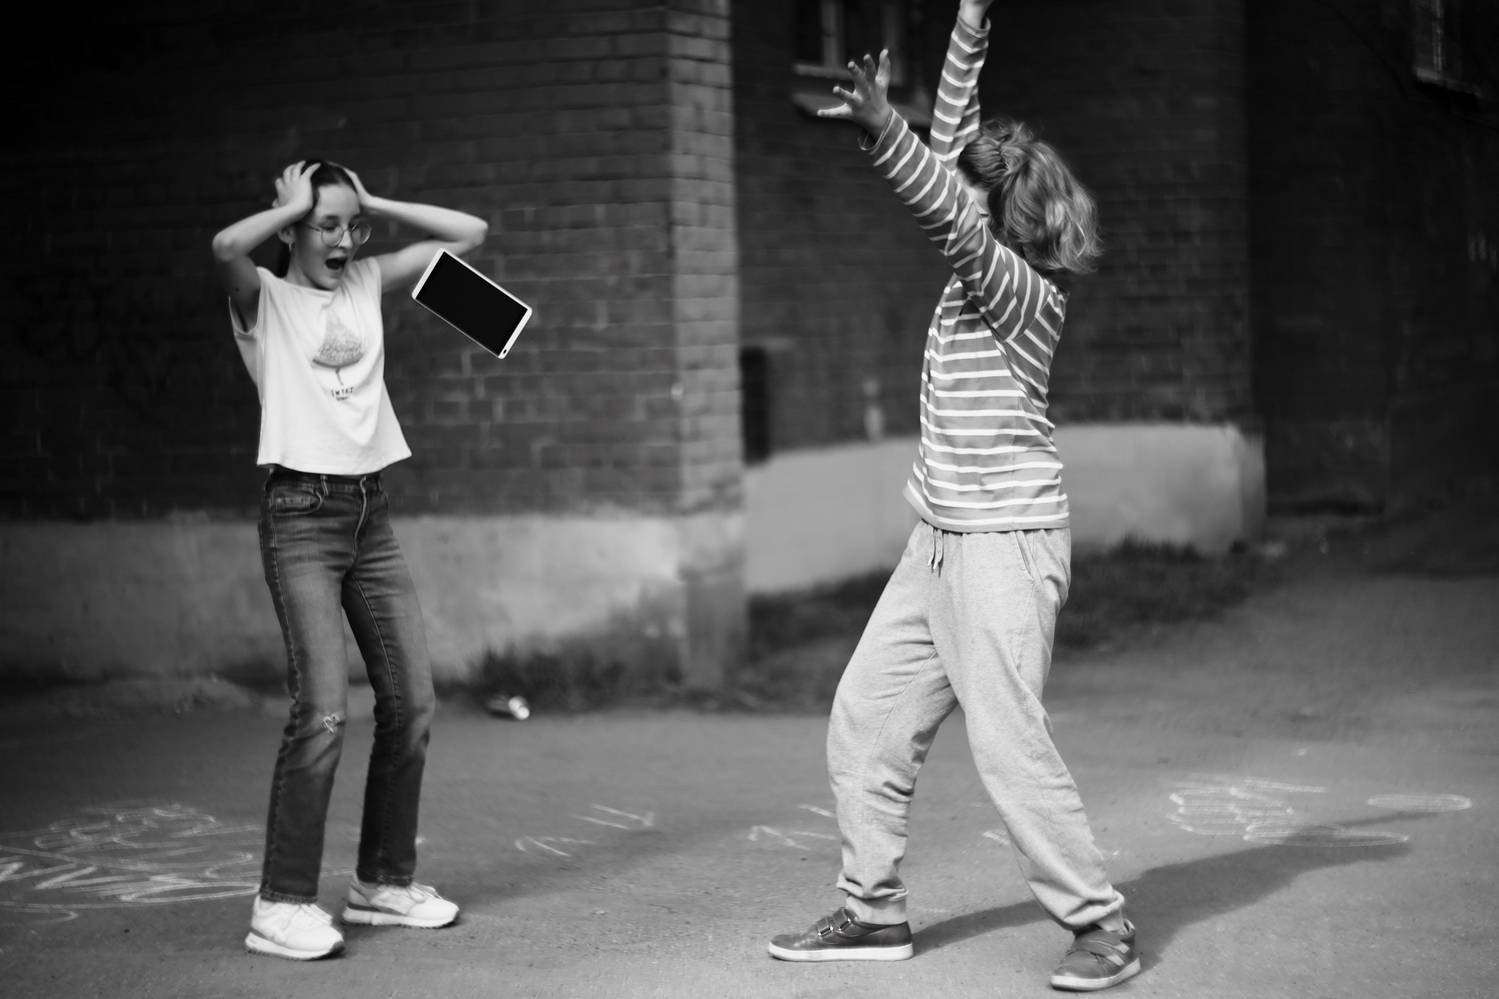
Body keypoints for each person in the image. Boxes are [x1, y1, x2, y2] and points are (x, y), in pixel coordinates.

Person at [766, 1, 1140, 991]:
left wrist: (881, 128)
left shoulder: (1017, 291)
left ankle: (1099, 922)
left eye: (964, 197)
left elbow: (940, 198)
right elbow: (950, 152)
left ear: (995, 219)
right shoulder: (975, 273)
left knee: (1008, 744)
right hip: (936, 540)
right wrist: (970, 19)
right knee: (865, 718)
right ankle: (871, 909)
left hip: (1004, 546)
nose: (945, 193)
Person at [211, 159, 488, 960]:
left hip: (371, 513)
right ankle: (280, 904)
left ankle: (381, 883)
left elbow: (469, 235)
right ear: (293, 226)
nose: (342, 240)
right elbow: (224, 246)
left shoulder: (366, 279)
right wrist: (293, 204)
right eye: (324, 225)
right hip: (300, 514)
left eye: (351, 226)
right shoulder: (264, 297)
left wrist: (372, 201)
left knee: (411, 702)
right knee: (324, 711)